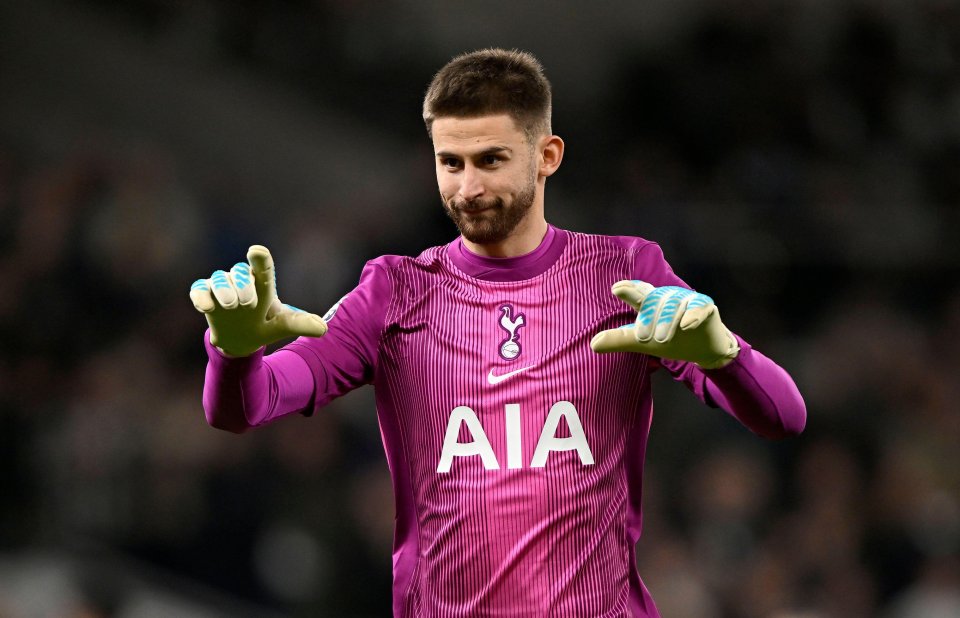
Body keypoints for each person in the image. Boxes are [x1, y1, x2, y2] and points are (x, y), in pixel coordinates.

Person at [190, 48, 806, 617]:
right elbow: (246, 407)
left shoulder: (625, 276)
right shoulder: (395, 292)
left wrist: (722, 354)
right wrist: (235, 352)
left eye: (490, 160)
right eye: (449, 163)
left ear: (547, 156)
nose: (468, 188)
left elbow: (784, 415)